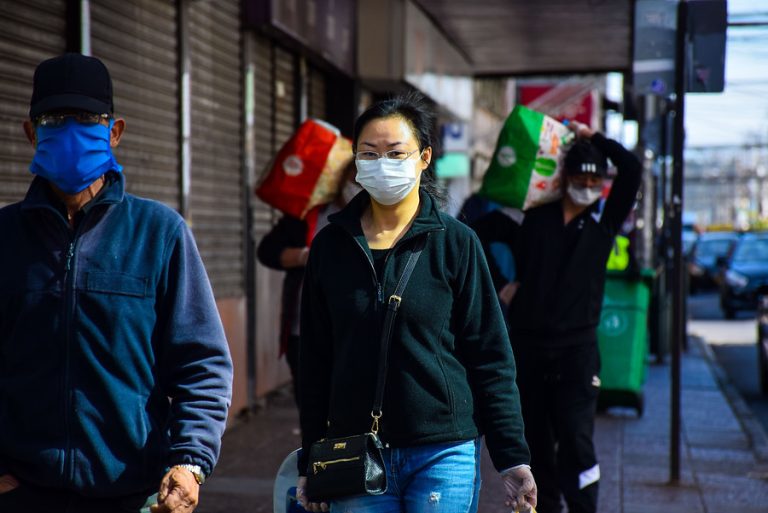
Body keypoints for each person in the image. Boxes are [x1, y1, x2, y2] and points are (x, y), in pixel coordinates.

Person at [0, 53, 233, 513]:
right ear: (31, 133)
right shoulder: (5, 237)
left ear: (115, 131)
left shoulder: (159, 232)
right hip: (21, 492)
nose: (69, 131)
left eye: (87, 119)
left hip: (133, 491)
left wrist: (189, 463)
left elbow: (202, 363)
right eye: (52, 119)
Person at [294, 91, 537, 513]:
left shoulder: (457, 243)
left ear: (424, 157)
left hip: (443, 453)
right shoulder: (331, 247)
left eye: (395, 153)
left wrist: (512, 456)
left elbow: (491, 356)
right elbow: (315, 360)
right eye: (368, 154)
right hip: (355, 453)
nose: (381, 164)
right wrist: (310, 458)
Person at [473, 120, 642, 513]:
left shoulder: (604, 221)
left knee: (576, 438)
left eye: (595, 178)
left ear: (602, 183)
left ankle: (583, 507)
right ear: (563, 176)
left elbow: (631, 168)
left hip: (577, 353)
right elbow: (476, 232)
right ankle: (544, 506)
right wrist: (502, 284)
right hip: (528, 347)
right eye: (580, 175)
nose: (587, 184)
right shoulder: (533, 217)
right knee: (534, 439)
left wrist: (591, 138)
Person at [256, 162, 361, 406]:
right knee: (312, 408)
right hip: (304, 332)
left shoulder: (377, 221)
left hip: (354, 333)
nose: (356, 187)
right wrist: (305, 256)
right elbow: (268, 251)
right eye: (352, 180)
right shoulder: (309, 216)